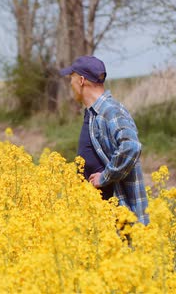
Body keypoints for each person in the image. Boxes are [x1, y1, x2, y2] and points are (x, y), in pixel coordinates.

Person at [60, 56, 149, 225]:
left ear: (81, 80)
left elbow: (131, 146)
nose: (70, 84)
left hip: (118, 214)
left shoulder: (110, 111)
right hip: (100, 215)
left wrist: (104, 177)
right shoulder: (94, 112)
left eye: (71, 78)